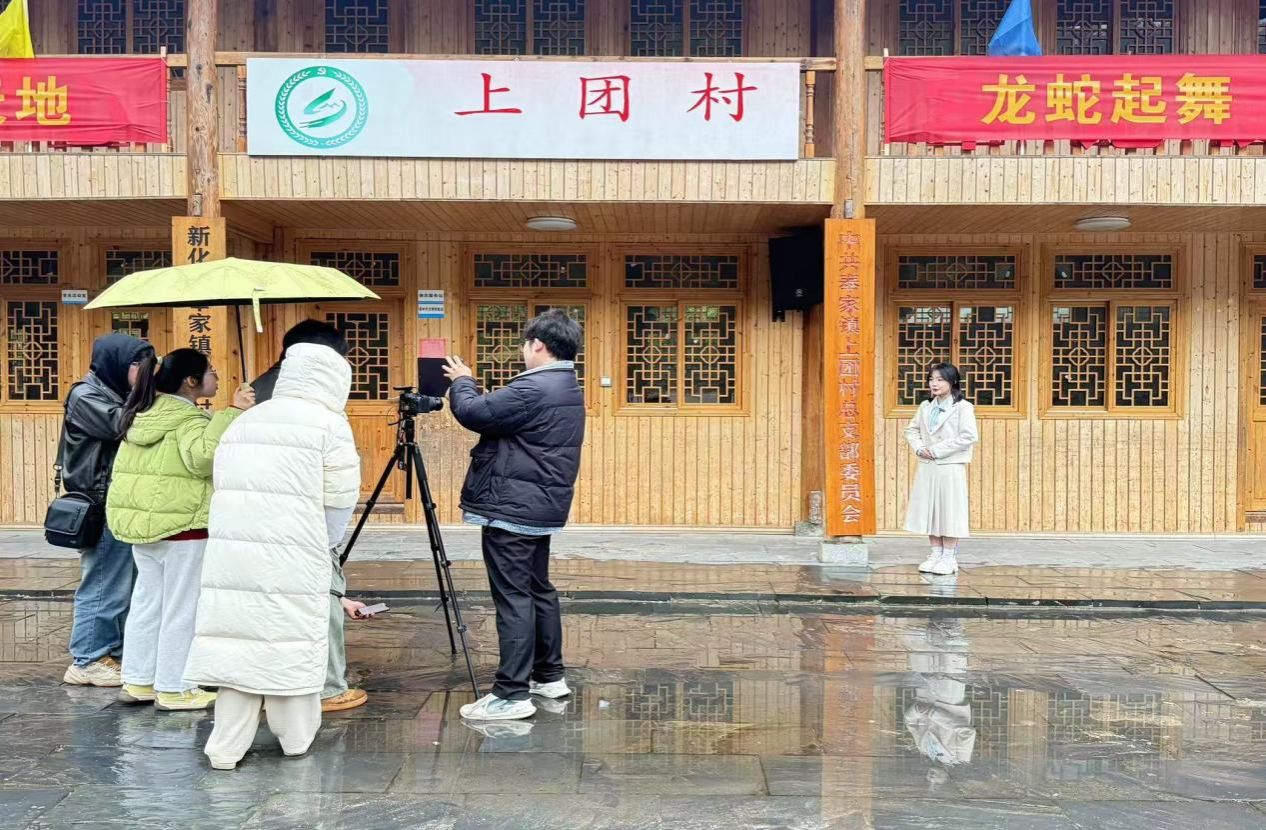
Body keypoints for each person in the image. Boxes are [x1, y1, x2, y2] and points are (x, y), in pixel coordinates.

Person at [184, 342, 360, 770]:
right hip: (296, 551)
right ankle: (294, 738)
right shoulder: (329, 425)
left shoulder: (246, 420)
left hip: (233, 552)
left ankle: (226, 746)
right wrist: (324, 543)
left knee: (240, 642)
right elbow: (339, 500)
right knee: (291, 640)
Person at [442, 308, 585, 722]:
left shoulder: (533, 387)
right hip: (538, 505)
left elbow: (474, 413)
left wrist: (463, 380)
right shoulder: (566, 385)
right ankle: (548, 676)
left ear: (537, 345)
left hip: (512, 507)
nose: (523, 351)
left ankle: (511, 694)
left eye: (525, 344)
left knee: (514, 596)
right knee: (538, 589)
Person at [106, 349, 254, 711]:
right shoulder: (187, 418)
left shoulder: (143, 413)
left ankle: (139, 681)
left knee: (147, 604)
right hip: (183, 526)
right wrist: (233, 413)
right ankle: (175, 688)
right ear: (191, 381)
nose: (217, 377)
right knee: (182, 608)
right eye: (211, 371)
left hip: (145, 527)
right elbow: (203, 459)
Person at [251, 319, 370, 714]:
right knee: (322, 605)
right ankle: (328, 687)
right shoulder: (326, 417)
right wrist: (327, 547)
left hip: (256, 529)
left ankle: (263, 685)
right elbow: (338, 495)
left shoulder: (251, 401)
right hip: (307, 528)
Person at [61, 334, 155, 687]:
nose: (146, 373)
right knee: (104, 583)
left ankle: (110, 653)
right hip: (100, 504)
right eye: (140, 365)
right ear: (117, 363)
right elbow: (124, 426)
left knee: (124, 583)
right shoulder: (86, 396)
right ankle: (87, 659)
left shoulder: (117, 393)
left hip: (121, 501)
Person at [903, 362, 979, 577]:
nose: (934, 384)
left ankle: (949, 557)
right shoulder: (925, 406)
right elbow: (911, 430)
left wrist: (936, 450)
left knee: (949, 511)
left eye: (940, 380)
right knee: (931, 510)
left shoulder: (963, 407)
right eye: (931, 379)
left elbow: (968, 436)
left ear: (952, 382)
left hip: (949, 465)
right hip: (928, 466)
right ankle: (935, 554)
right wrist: (920, 448)